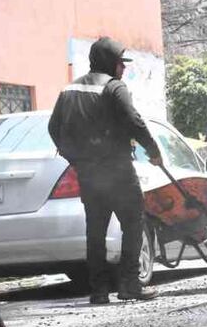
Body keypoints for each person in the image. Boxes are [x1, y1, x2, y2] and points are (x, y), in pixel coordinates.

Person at [48, 37, 163, 304]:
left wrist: (75, 158)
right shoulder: (113, 87)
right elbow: (133, 120)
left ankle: (99, 291)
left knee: (96, 231)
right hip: (118, 170)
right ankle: (130, 284)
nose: (123, 68)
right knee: (133, 223)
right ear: (109, 63)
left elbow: (53, 128)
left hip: (88, 173)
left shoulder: (69, 90)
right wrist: (153, 151)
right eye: (120, 63)